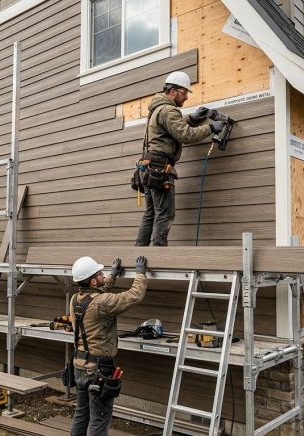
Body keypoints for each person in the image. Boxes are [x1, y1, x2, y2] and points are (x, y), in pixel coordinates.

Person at [135, 71, 226, 246]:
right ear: (174, 91)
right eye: (184, 93)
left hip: (148, 168)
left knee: (151, 213)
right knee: (165, 213)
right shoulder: (169, 110)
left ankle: (140, 252)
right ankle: (159, 253)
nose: (185, 99)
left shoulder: (158, 108)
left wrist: (191, 118)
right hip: (160, 169)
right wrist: (211, 128)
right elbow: (185, 134)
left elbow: (172, 126)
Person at [69, 255, 148, 436]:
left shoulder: (75, 299)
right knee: (99, 417)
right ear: (93, 280)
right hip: (98, 370)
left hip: (79, 366)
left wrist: (112, 275)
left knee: (81, 414)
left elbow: (97, 294)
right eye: (100, 274)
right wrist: (140, 274)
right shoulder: (103, 302)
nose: (103, 275)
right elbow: (133, 296)